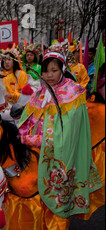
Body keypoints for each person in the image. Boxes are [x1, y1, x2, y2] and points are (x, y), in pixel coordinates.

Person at [18, 50, 102, 218]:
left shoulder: (73, 93)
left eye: (54, 70)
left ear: (63, 69)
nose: (49, 75)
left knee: (58, 200)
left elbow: (67, 134)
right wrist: (22, 134)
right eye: (46, 71)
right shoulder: (40, 92)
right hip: (35, 150)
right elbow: (27, 119)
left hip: (57, 153)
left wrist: (34, 139)